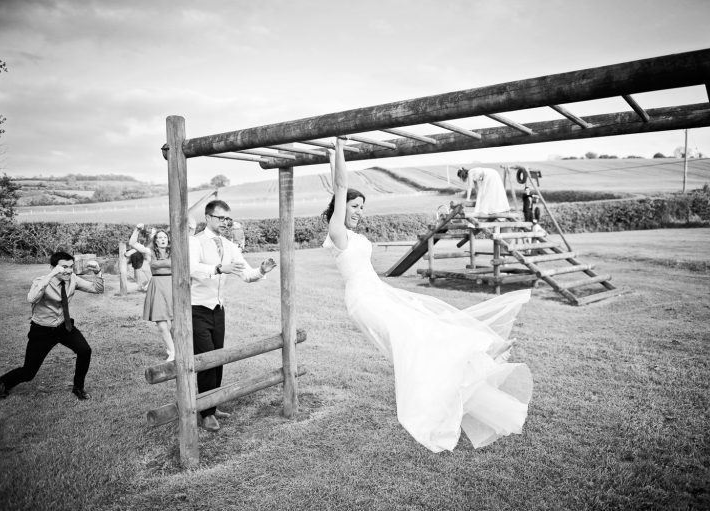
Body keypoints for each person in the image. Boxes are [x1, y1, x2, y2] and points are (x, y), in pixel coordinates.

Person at [324, 140, 533, 452]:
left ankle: (475, 356)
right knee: (414, 339)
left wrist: (330, 156)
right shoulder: (337, 234)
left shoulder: (352, 235)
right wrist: (339, 147)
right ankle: (469, 361)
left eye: (362, 208)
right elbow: (340, 186)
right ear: (340, 209)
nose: (359, 212)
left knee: (426, 323)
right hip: (364, 300)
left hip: (378, 293)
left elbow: (339, 188)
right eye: (354, 207)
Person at [189, 200, 277, 432]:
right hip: (196, 309)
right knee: (206, 360)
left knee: (219, 358)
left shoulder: (229, 245)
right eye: (220, 218)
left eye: (227, 219)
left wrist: (261, 271)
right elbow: (191, 269)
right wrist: (217, 269)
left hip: (219, 310)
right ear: (208, 218)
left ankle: (213, 404)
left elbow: (246, 274)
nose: (225, 223)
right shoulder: (194, 241)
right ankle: (205, 413)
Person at [0, 251, 103, 400]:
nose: (68, 270)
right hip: (42, 331)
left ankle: (78, 388)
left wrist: (97, 272)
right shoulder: (42, 281)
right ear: (53, 267)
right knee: (28, 372)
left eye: (71, 266)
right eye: (64, 267)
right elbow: (31, 298)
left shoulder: (73, 279)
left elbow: (97, 289)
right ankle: (4, 381)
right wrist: (51, 276)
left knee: (85, 351)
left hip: (64, 327)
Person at [129, 223, 175, 361]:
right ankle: (172, 352)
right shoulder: (150, 252)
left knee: (174, 324)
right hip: (157, 286)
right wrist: (137, 229)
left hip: (172, 287)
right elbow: (133, 243)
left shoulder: (174, 251)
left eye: (164, 237)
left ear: (168, 239)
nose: (162, 240)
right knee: (161, 324)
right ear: (155, 240)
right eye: (159, 238)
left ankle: (174, 347)